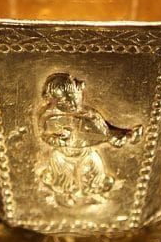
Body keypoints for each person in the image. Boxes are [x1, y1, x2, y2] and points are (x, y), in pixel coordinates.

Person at [37, 73, 141, 207]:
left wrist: (114, 137)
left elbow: (103, 132)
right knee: (62, 177)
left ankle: (93, 191)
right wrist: (59, 141)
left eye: (75, 99)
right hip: (62, 155)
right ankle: (67, 194)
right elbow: (45, 136)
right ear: (53, 101)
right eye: (65, 102)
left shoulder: (89, 115)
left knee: (94, 171)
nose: (73, 105)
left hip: (86, 152)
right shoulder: (48, 117)